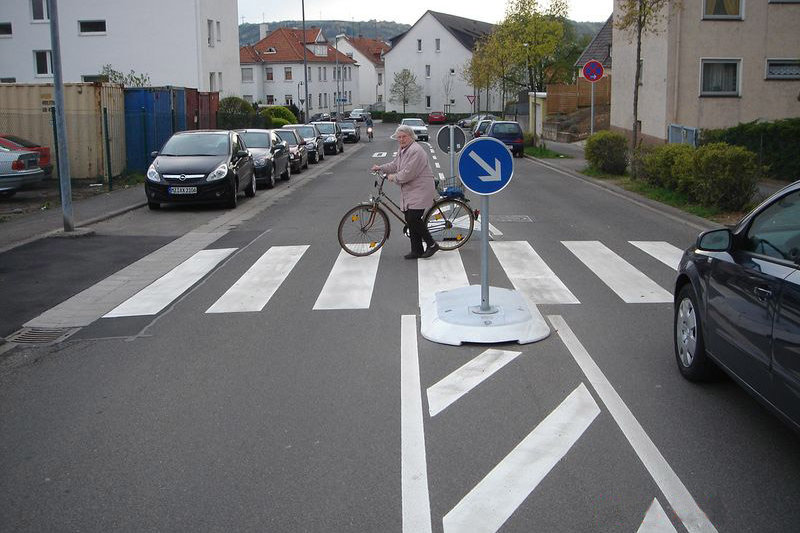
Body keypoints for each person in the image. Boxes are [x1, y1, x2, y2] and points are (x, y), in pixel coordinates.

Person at [371, 125, 439, 260]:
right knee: (410, 219)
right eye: (399, 137)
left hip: (421, 189)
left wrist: (393, 177)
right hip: (411, 190)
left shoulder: (416, 151)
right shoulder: (403, 149)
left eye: (404, 136)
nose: (401, 139)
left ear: (411, 136)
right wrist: (381, 168)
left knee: (413, 218)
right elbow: (395, 165)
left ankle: (432, 244)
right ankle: (417, 250)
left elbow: (408, 173)